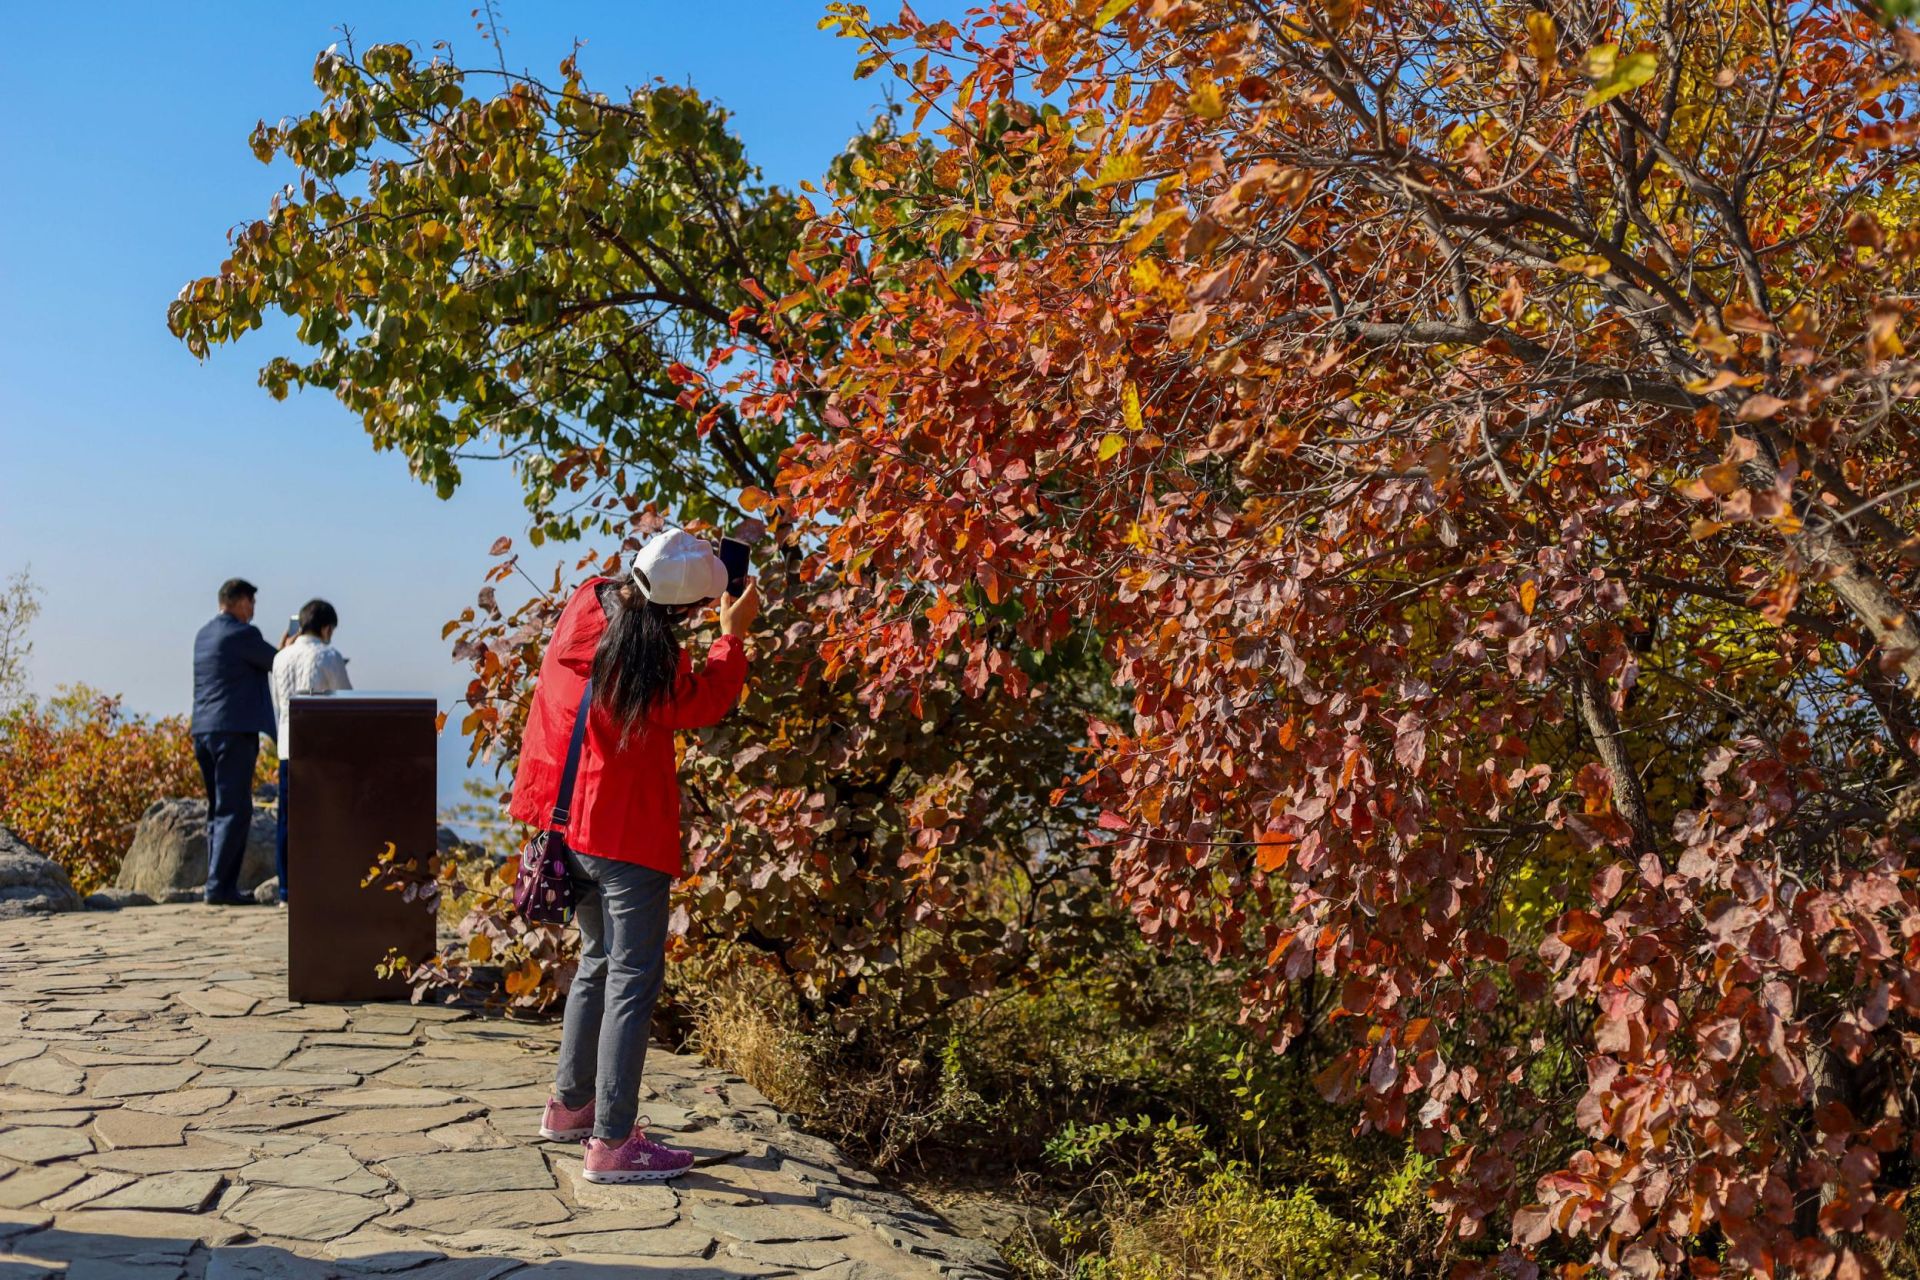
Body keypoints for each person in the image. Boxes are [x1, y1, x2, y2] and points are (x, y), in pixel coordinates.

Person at [512, 528, 758, 1183]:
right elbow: (704, 702)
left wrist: (701, 567)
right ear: (685, 612)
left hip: (565, 824)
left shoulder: (587, 602)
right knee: (632, 977)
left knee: (597, 961)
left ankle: (570, 1106)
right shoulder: (650, 658)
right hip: (623, 834)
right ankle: (614, 1142)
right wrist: (731, 637)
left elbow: (652, 595)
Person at [190, 578, 279, 906]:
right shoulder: (243, 634)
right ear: (240, 601)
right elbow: (278, 662)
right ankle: (219, 887)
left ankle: (217, 883)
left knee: (217, 809)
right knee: (235, 809)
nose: (253, 609)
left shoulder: (204, 635)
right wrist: (291, 647)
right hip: (234, 732)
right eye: (251, 602)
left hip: (203, 730)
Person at [269, 598, 352, 907]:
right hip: (320, 747)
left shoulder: (280, 658)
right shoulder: (329, 655)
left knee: (287, 820)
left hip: (288, 744)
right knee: (322, 816)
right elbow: (346, 698)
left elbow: (278, 702)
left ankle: (286, 890)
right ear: (326, 628)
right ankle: (320, 883)